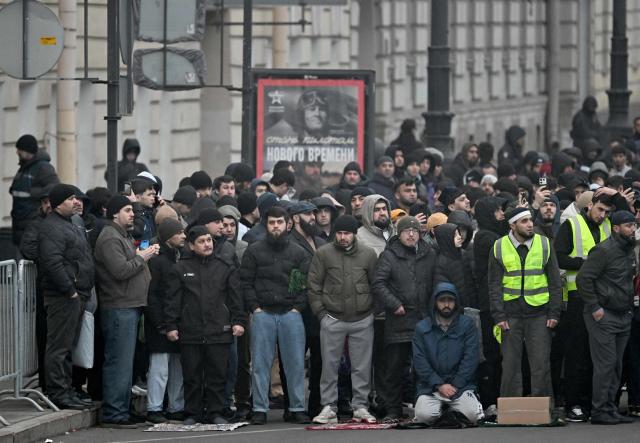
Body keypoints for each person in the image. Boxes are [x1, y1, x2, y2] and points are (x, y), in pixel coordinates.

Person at [164, 226, 246, 425]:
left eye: (209, 240)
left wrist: (238, 321)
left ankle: (216, 412)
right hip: (190, 330)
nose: (207, 244)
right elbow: (173, 300)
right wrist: (171, 325)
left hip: (219, 329)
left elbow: (236, 298)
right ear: (191, 245)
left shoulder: (225, 267)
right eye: (201, 241)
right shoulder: (180, 268)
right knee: (192, 374)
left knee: (218, 374)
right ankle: (192, 412)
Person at [240, 206, 311, 425]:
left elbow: (302, 285)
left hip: (291, 314)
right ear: (266, 224)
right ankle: (259, 409)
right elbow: (246, 282)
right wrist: (255, 308)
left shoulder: (298, 252)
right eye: (272, 222)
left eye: (280, 222)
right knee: (260, 365)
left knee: (295, 364)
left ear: (288, 224)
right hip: (263, 314)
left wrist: (297, 308)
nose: (276, 226)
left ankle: (298, 407)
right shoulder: (253, 251)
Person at [94, 196, 158, 427]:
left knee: (125, 363)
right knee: (119, 363)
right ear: (114, 214)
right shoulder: (110, 237)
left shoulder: (122, 234)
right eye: (127, 210)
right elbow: (120, 270)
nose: (132, 214)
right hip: (119, 307)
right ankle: (114, 413)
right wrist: (143, 257)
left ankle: (123, 409)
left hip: (129, 305)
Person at [308, 215, 379, 424]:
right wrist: (321, 314)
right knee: (328, 366)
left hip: (362, 318)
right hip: (332, 317)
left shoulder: (368, 254)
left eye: (346, 233)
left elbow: (376, 284)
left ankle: (360, 407)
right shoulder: (323, 254)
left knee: (362, 367)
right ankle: (329, 407)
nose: (342, 237)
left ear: (354, 234)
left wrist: (371, 312)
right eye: (339, 233)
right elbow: (313, 285)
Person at [489, 207, 563, 398]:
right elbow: (494, 285)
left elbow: (555, 282)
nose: (530, 224)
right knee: (510, 366)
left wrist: (554, 313)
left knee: (541, 366)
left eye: (530, 220)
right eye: (524, 221)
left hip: (539, 314)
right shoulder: (498, 246)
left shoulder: (545, 244)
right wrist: (498, 315)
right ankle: (510, 410)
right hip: (510, 315)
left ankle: (544, 411)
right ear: (512, 225)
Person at [554, 191, 613, 421]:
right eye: (600, 209)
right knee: (576, 352)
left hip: (603, 297)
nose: (602, 215)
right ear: (590, 205)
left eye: (607, 212)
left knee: (596, 355)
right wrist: (586, 264)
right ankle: (573, 403)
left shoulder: (609, 226)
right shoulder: (572, 225)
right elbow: (558, 257)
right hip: (577, 297)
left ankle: (591, 403)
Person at [372, 216, 436, 420]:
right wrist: (394, 304)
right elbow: (378, 283)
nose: (411, 234)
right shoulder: (389, 255)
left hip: (424, 319)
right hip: (398, 320)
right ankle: (393, 409)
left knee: (422, 367)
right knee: (394, 368)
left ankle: (423, 407)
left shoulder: (429, 254)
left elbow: (436, 282)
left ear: (420, 233)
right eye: (406, 231)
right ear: (398, 234)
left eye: (415, 231)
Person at [576, 210, 637, 425]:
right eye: (628, 226)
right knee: (606, 363)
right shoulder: (603, 250)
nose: (633, 230)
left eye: (634, 225)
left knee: (617, 364)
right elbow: (584, 278)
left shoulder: (629, 250)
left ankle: (610, 407)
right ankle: (600, 409)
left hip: (623, 314)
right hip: (604, 315)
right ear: (616, 228)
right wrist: (594, 307)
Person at [38, 184, 94, 410]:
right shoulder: (52, 227)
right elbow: (52, 262)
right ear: (59, 202)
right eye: (71, 198)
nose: (76, 202)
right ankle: (57, 392)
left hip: (77, 294)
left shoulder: (70, 224)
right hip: (64, 297)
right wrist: (69, 290)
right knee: (59, 346)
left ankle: (67, 389)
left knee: (68, 345)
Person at [412, 283, 484, 425]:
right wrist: (439, 385)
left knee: (472, 416)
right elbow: (419, 361)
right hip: (430, 387)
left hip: (461, 386)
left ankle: (452, 409)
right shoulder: (422, 328)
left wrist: (457, 384)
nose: (446, 304)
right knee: (423, 417)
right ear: (435, 303)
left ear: (456, 303)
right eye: (442, 300)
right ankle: (446, 411)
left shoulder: (467, 325)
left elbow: (471, 357)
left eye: (450, 300)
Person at [144, 219, 186, 424]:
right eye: (179, 232)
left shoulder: (176, 258)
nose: (184, 236)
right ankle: (155, 407)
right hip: (161, 323)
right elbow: (153, 295)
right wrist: (160, 323)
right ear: (169, 236)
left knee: (176, 366)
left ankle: (175, 406)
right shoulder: (158, 261)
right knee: (160, 367)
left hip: (175, 322)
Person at [472, 196, 508, 410]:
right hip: (491, 306)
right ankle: (490, 400)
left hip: (495, 303)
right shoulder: (487, 238)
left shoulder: (490, 234)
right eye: (497, 211)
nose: (501, 215)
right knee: (493, 354)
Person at [10, 134, 60, 246]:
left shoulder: (44, 168)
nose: (17, 152)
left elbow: (54, 189)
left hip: (32, 222)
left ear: (27, 151)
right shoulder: (24, 168)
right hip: (20, 224)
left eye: (19, 150)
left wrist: (31, 193)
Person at [434, 223, 476, 308]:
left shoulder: (463, 254)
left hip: (470, 307)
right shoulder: (441, 263)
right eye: (455, 235)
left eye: (459, 233)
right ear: (446, 239)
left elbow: (471, 285)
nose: (460, 237)